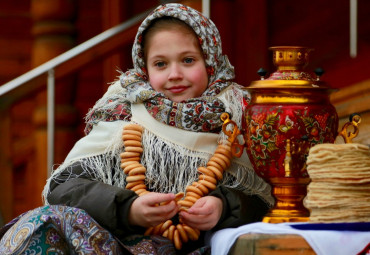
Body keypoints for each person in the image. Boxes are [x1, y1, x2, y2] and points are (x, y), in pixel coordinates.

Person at [0, 3, 273, 254]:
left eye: (188, 60)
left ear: (211, 61)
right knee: (45, 221)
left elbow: (263, 198)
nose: (174, 73)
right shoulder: (124, 115)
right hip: (116, 245)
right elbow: (65, 187)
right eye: (161, 64)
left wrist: (223, 207)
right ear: (144, 68)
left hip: (197, 248)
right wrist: (127, 208)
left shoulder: (236, 119)